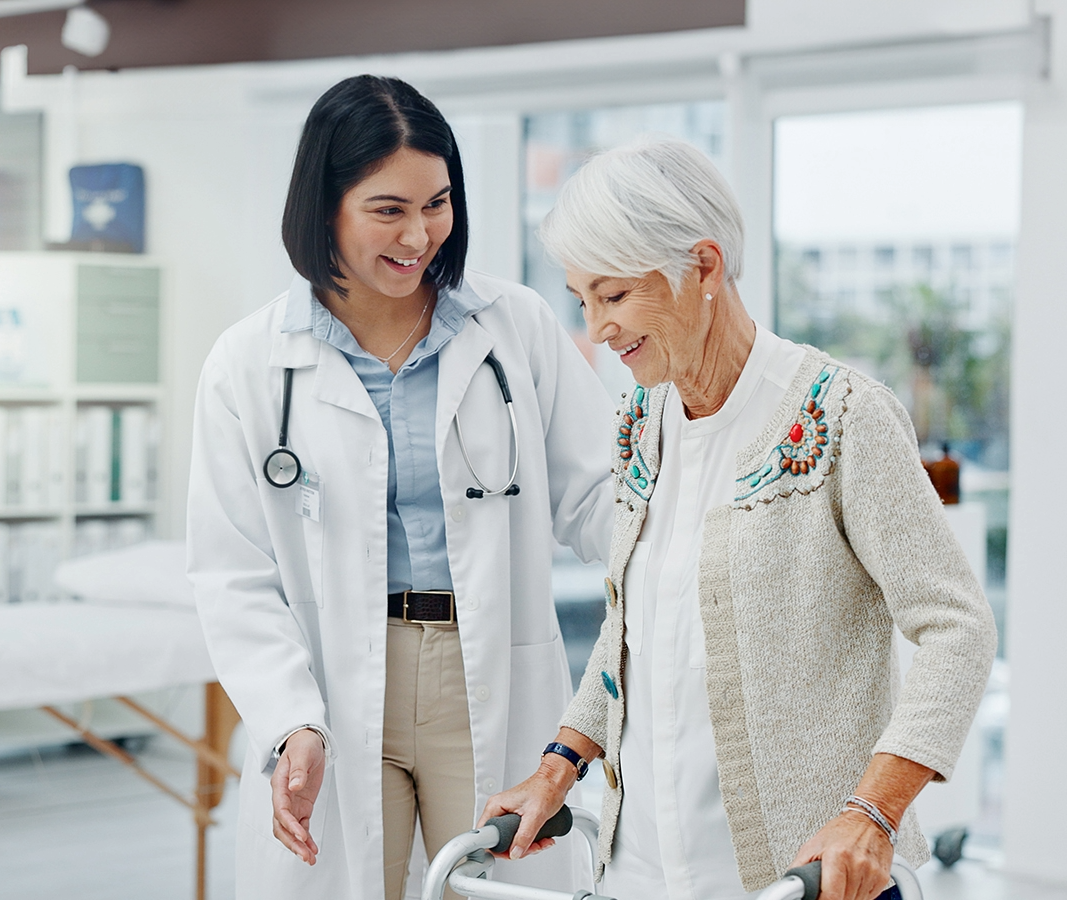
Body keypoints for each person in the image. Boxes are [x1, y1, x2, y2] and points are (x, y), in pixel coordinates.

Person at [481, 137, 997, 900]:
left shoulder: (840, 415)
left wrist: (872, 815)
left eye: (615, 296)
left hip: (796, 879)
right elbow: (630, 635)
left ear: (704, 267)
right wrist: (557, 769)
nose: (596, 329)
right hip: (640, 871)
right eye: (582, 300)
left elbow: (959, 626)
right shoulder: (637, 424)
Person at [186, 75, 616, 900]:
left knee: (503, 886)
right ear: (325, 209)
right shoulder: (248, 364)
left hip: (488, 666)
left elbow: (600, 497)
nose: (419, 234)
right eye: (388, 209)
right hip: (332, 681)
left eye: (438, 203)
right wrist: (289, 717)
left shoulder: (514, 327)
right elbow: (231, 572)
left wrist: (696, 547)